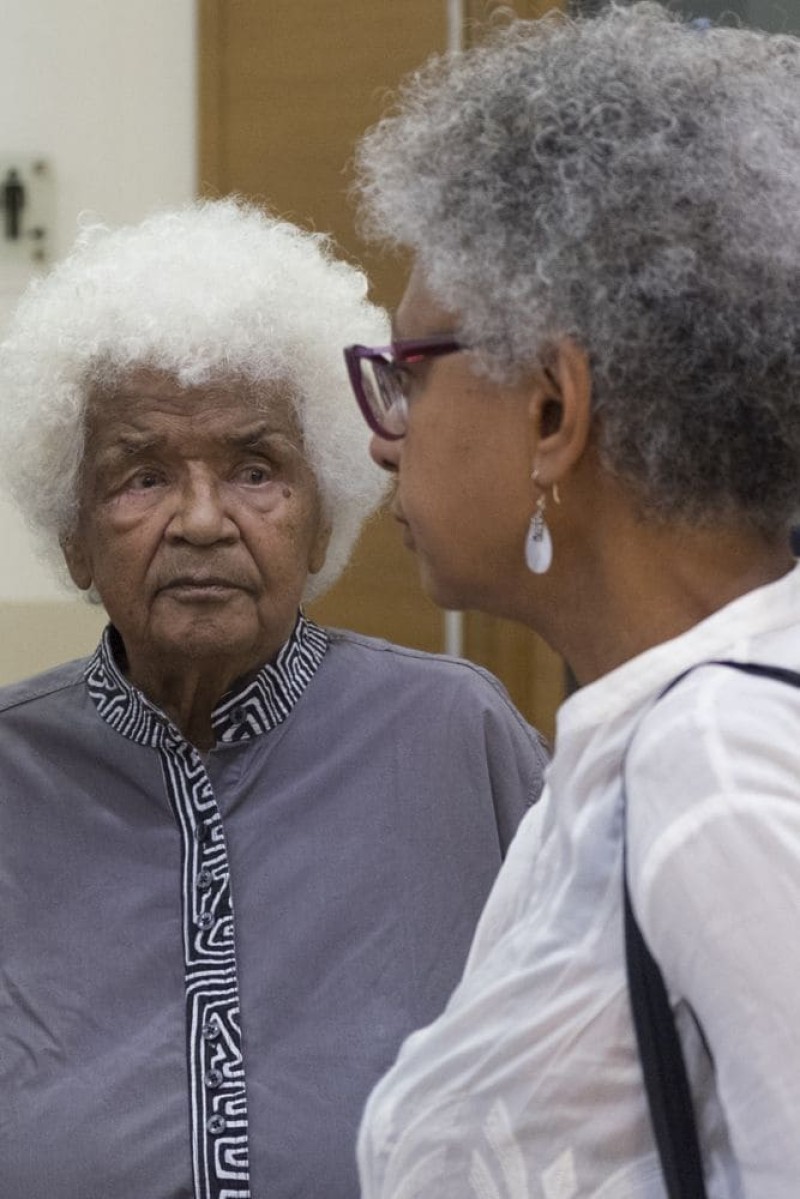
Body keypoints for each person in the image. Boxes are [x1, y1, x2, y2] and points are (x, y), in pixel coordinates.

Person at [0, 199, 548, 1199]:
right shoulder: (11, 770)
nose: (202, 520)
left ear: (322, 513)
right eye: (142, 475)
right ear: (73, 529)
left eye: (256, 469)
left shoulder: (453, 735)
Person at [346, 5, 800, 1196]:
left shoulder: (717, 769)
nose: (386, 441)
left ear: (552, 408)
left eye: (407, 373)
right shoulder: (634, 742)